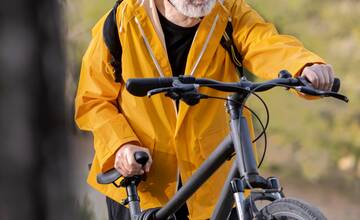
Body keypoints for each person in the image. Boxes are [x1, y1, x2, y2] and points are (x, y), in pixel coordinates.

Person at [74, 0, 334, 219]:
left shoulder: (229, 12)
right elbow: (92, 100)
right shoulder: (123, 21)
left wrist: (304, 66)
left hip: (214, 182)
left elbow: (265, 42)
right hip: (145, 178)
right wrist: (121, 145)